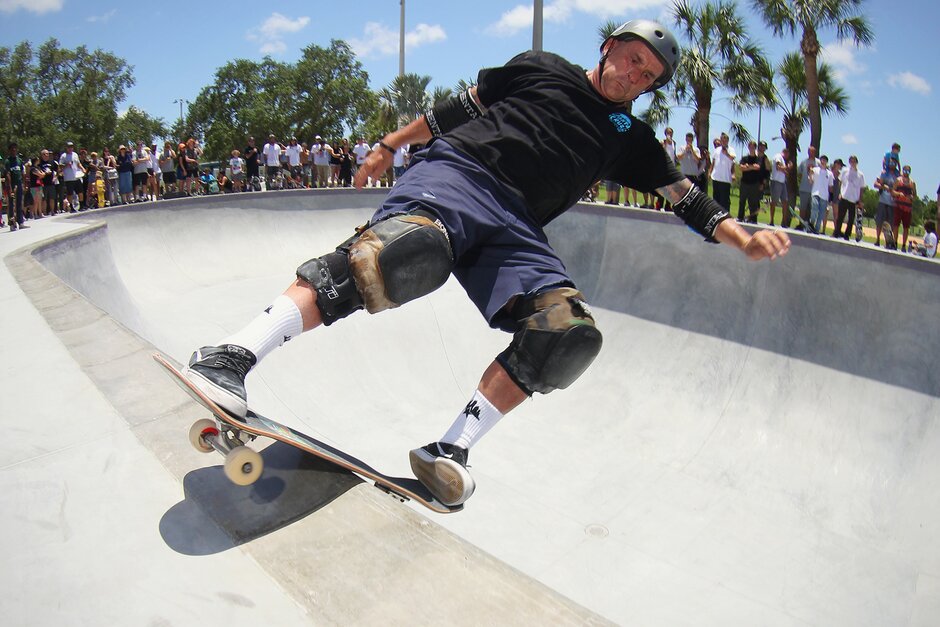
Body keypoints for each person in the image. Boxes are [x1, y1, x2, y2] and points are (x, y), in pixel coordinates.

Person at [180, 19, 790, 508]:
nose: (634, 75)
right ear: (608, 48)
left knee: (563, 333)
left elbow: (686, 198)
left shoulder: (630, 136)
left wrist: (741, 239)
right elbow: (454, 112)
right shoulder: (542, 68)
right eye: (632, 59)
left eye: (648, 75)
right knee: (399, 256)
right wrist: (391, 144)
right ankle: (230, 355)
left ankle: (449, 449)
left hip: (518, 227)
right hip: (460, 175)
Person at [833, 155, 865, 241]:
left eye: (854, 161)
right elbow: (840, 181)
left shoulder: (860, 174)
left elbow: (862, 188)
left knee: (851, 218)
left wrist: (860, 199)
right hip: (844, 196)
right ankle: (836, 232)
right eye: (851, 161)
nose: (852, 163)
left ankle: (847, 234)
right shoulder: (845, 171)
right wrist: (840, 193)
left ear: (856, 162)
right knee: (840, 216)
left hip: (853, 199)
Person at [873, 159, 898, 247]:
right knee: (879, 222)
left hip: (893, 203)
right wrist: (884, 187)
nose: (892, 164)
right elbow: (875, 184)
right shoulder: (883, 173)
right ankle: (877, 239)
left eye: (894, 163)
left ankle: (889, 242)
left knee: (890, 225)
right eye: (890, 162)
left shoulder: (898, 175)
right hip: (882, 200)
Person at [892, 165, 917, 250]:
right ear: (902, 171)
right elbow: (892, 191)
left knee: (906, 227)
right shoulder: (898, 180)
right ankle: (895, 243)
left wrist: (911, 197)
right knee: (896, 225)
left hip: (907, 208)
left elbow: (915, 195)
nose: (906, 173)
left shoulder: (912, 183)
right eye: (905, 171)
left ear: (910, 172)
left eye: (908, 171)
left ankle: (903, 245)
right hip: (898, 206)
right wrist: (899, 194)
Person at [737, 140, 762, 223]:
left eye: (753, 147)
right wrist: (751, 167)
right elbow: (741, 168)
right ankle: (740, 217)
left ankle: (753, 219)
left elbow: (757, 167)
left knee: (753, 202)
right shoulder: (744, 158)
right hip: (744, 182)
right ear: (748, 147)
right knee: (742, 201)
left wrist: (747, 167)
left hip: (754, 183)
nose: (751, 148)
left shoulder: (758, 159)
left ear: (755, 148)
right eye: (750, 146)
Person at [808, 155, 833, 233]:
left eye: (824, 160)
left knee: (821, 214)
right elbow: (810, 181)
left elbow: (830, 186)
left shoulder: (829, 173)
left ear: (826, 162)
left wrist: (830, 199)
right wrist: (810, 174)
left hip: (824, 196)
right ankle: (811, 224)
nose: (823, 162)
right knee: (814, 209)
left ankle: (817, 229)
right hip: (815, 193)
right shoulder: (815, 170)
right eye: (822, 160)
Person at [709, 133, 735, 211]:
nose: (724, 142)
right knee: (716, 199)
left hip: (725, 179)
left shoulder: (731, 150)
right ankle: (716, 213)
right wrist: (710, 172)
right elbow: (713, 162)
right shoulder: (717, 150)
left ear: (728, 141)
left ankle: (725, 214)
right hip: (716, 177)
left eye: (725, 140)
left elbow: (732, 158)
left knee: (724, 200)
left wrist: (727, 154)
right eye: (722, 140)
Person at [59, 141, 85, 212]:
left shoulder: (75, 154)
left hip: (76, 176)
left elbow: (78, 163)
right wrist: (66, 164)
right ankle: (71, 207)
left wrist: (82, 169)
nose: (70, 148)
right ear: (66, 148)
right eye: (69, 147)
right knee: (70, 193)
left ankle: (81, 205)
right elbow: (60, 166)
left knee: (80, 191)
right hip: (68, 178)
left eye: (71, 147)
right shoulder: (63, 156)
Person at [795, 145, 817, 230]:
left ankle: (810, 226)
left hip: (814, 190)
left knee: (812, 209)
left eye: (812, 151)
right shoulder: (804, 162)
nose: (810, 153)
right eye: (809, 151)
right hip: (804, 188)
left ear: (815, 152)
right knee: (803, 208)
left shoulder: (818, 163)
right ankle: (801, 224)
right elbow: (799, 173)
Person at [769, 147, 791, 228]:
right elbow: (778, 167)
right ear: (785, 152)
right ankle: (771, 220)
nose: (787, 157)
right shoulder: (778, 156)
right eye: (787, 154)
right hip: (776, 181)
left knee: (785, 201)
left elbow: (783, 170)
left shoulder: (783, 160)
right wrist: (788, 167)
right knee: (774, 201)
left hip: (782, 182)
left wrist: (786, 171)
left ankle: (784, 222)